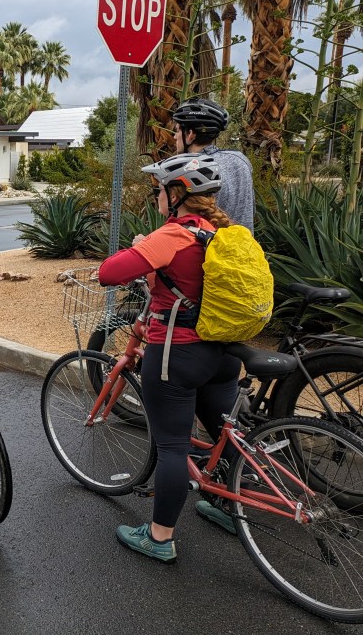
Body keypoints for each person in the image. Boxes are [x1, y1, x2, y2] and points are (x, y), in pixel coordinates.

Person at [98, 153, 242, 563]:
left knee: (173, 447)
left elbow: (110, 273)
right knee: (223, 435)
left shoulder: (173, 235)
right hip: (222, 353)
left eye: (159, 189)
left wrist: (141, 246)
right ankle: (231, 507)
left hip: (177, 353)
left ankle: (160, 537)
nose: (156, 195)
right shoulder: (218, 232)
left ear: (177, 195)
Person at [171, 97, 255, 232]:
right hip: (245, 249)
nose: (175, 136)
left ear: (190, 134)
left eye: (178, 130)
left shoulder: (193, 169)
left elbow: (188, 227)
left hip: (209, 251)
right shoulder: (241, 160)